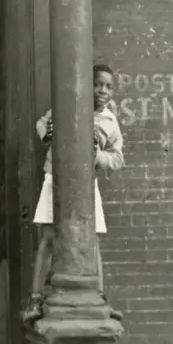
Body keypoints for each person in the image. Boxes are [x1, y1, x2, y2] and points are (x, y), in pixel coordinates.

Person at [22, 63, 124, 325]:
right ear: (86, 85)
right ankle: (35, 299)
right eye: (97, 84)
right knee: (47, 238)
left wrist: (98, 154)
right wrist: (48, 132)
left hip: (87, 184)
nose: (102, 90)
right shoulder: (65, 106)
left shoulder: (110, 123)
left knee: (92, 242)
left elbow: (117, 158)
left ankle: (100, 298)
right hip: (55, 177)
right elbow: (42, 123)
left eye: (108, 87)